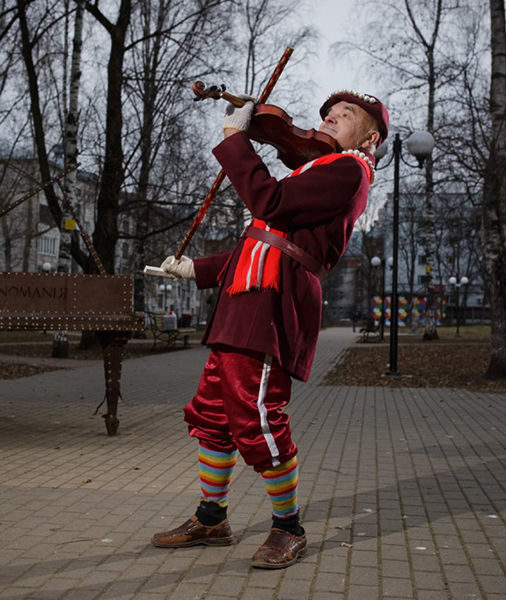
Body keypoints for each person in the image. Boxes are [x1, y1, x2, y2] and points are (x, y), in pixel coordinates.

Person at [151, 90, 389, 569]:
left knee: (258, 416)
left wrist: (236, 141)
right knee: (214, 415)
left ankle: (288, 529)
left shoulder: (349, 170)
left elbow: (269, 200)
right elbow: (261, 243)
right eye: (327, 113)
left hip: (273, 305)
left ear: (370, 136)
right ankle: (211, 518)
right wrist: (194, 269)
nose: (328, 119)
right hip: (246, 300)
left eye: (344, 116)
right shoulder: (313, 169)